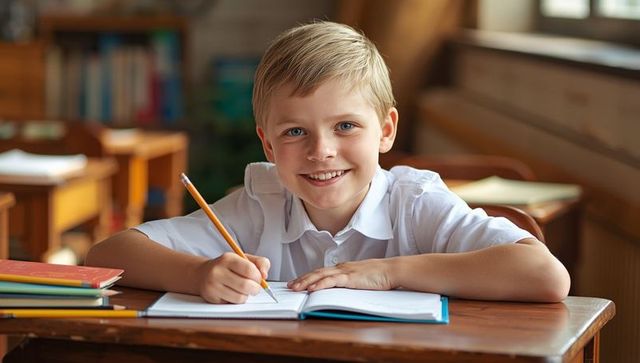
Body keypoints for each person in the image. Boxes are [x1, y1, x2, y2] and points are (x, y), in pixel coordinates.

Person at [86, 21, 570, 304]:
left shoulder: (416, 202)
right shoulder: (261, 200)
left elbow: (545, 275)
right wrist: (196, 275)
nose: (321, 151)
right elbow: (106, 256)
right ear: (269, 147)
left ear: (386, 130)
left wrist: (390, 272)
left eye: (345, 126)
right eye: (295, 132)